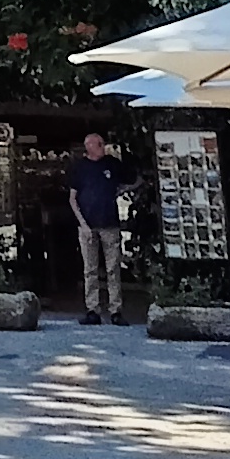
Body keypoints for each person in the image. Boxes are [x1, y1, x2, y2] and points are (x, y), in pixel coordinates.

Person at [68, 131, 130, 326]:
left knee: (113, 268)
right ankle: (92, 309)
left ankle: (115, 310)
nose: (104, 147)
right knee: (90, 269)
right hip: (87, 224)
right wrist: (82, 224)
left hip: (109, 223)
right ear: (90, 147)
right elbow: (72, 198)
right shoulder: (80, 168)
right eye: (100, 144)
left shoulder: (112, 163)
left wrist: (121, 190)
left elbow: (132, 179)